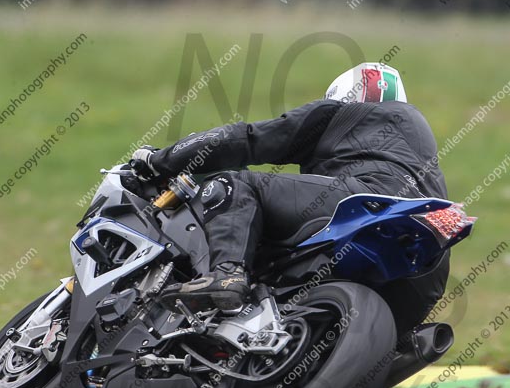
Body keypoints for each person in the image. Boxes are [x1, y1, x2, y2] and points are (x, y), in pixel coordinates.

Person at [130, 62, 450, 332]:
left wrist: (159, 161)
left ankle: (227, 273)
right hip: (425, 273)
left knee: (236, 185)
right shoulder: (423, 141)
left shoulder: (340, 112)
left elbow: (243, 140)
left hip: (365, 200)